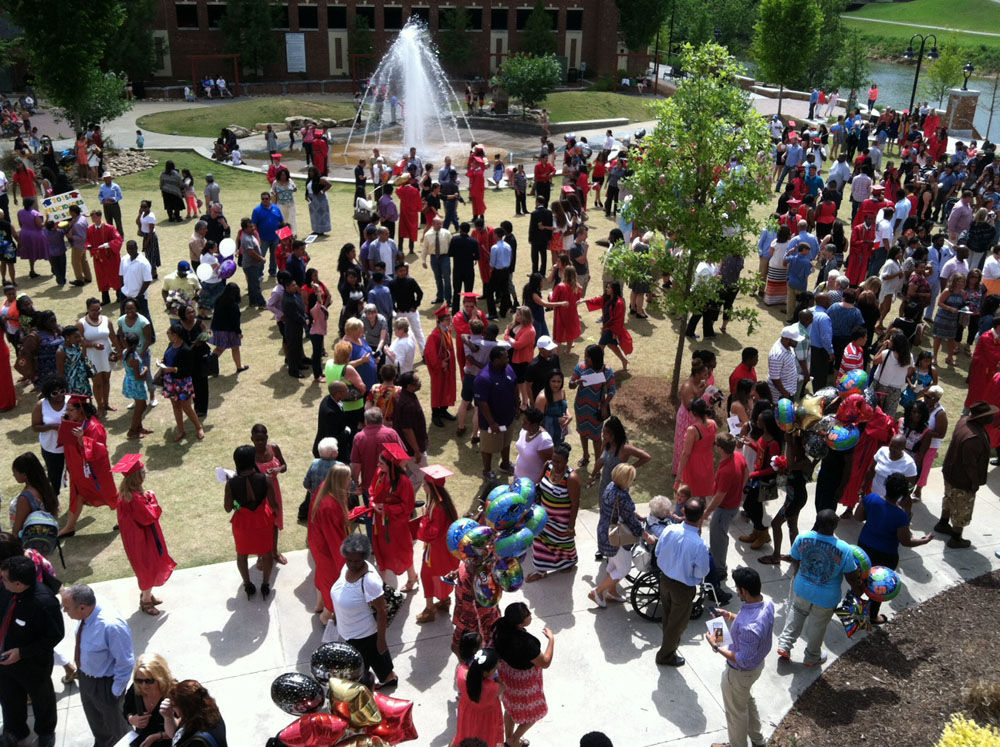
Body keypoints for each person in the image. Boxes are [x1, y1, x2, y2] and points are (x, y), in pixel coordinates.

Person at [776, 510, 865, 666]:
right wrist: (858, 590)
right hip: (826, 598)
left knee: (796, 613)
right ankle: (812, 657)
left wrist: (798, 576)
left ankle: (784, 645)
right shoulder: (844, 549)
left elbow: (795, 559)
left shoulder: (802, 537)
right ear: (835, 525)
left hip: (802, 588)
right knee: (818, 625)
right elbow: (850, 576)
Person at [705, 566, 775, 747]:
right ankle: (758, 740)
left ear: (744, 590)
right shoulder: (767, 603)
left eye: (737, 589)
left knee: (735, 712)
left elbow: (742, 658)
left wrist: (715, 645)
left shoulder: (749, 627)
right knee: (746, 701)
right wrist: (729, 616)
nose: (737, 592)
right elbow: (746, 621)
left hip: (739, 673)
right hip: (756, 666)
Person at [0, 553, 63, 747]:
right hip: (5, 661)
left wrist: (22, 652)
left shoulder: (44, 602)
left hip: (33, 664)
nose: (1, 581)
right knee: (9, 698)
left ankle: (45, 732)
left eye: (4, 578)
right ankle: (15, 730)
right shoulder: (6, 591)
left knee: (42, 699)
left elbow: (55, 636)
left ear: (19, 584)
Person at [61, 583, 134, 747]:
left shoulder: (112, 626)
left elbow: (125, 662)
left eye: (67, 608)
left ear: (82, 608)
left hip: (105, 685)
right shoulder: (88, 610)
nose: (65, 611)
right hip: (86, 678)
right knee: (97, 724)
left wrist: (115, 692)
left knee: (119, 730)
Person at [856, 473, 932, 624]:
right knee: (878, 586)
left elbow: (858, 517)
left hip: (864, 548)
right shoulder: (900, 515)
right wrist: (924, 541)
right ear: (904, 494)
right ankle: (872, 617)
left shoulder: (871, 498)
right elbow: (906, 542)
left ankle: (853, 614)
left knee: (859, 580)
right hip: (885, 556)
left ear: (886, 486)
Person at [328, 534, 398, 689]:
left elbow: (381, 610)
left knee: (357, 676)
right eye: (349, 560)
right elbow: (341, 592)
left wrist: (381, 640)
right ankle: (389, 679)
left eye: (357, 560)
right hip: (350, 629)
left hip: (363, 633)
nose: (352, 564)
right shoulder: (346, 567)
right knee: (377, 659)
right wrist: (336, 614)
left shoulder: (369, 581)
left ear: (365, 557)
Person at [112, 455, 175, 616]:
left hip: (138, 538)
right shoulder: (134, 498)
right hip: (143, 540)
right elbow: (149, 516)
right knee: (148, 568)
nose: (145, 473)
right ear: (136, 477)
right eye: (142, 471)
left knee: (147, 567)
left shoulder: (126, 494)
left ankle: (147, 594)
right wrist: (152, 498)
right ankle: (146, 600)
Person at [655, 499, 711, 667]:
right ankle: (665, 655)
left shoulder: (669, 530)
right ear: (701, 518)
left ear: (684, 513)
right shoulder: (700, 545)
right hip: (683, 588)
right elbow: (702, 571)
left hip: (664, 580)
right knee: (677, 624)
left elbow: (658, 552)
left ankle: (669, 643)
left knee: (668, 615)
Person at [492, 602, 554, 747]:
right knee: (534, 712)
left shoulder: (499, 628)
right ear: (520, 624)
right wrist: (551, 640)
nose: (530, 615)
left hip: (507, 676)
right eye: (527, 615)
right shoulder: (525, 642)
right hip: (525, 682)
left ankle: (508, 739)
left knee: (510, 708)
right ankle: (513, 741)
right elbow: (545, 662)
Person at [935, 402, 995, 549]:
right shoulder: (974, 438)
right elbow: (970, 465)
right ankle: (956, 538)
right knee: (963, 507)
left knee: (949, 497)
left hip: (950, 472)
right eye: (989, 415)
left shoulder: (964, 422)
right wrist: (974, 482)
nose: (993, 416)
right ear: (981, 418)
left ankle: (943, 523)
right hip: (962, 479)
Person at [57, 394, 118, 537]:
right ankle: (69, 527)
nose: (68, 413)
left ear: (81, 410)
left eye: (71, 410)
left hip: (95, 470)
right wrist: (64, 426)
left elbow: (100, 450)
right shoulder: (72, 423)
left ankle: (126, 517)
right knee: (77, 493)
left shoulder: (94, 427)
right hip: (78, 468)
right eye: (67, 410)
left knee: (108, 495)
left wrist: (82, 440)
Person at [224, 445, 278, 600]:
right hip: (263, 521)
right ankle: (266, 584)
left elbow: (228, 508)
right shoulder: (265, 479)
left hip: (242, 523)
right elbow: (275, 505)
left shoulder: (231, 483)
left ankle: (247, 584)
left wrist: (237, 505)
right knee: (267, 554)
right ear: (252, 460)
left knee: (242, 555)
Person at [591, 463, 648, 607]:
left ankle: (611, 591)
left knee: (613, 563)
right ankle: (597, 592)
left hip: (606, 531)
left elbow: (619, 510)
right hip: (618, 537)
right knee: (623, 568)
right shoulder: (624, 497)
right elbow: (631, 522)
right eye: (632, 479)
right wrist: (646, 535)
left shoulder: (610, 487)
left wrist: (634, 514)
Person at [414, 465, 461, 623]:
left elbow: (430, 533)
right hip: (445, 550)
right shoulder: (443, 503)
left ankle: (429, 610)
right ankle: (444, 600)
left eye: (426, 483)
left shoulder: (438, 507)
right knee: (442, 576)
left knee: (427, 576)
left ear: (433, 487)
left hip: (436, 551)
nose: (423, 485)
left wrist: (424, 517)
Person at [702, 433, 749, 580]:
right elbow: (747, 473)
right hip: (732, 504)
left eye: (716, 444)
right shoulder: (738, 456)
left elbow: (719, 497)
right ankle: (717, 558)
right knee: (719, 536)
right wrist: (739, 489)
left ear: (720, 448)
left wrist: (707, 512)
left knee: (718, 538)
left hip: (724, 509)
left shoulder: (726, 471)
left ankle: (720, 571)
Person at [307, 461, 349, 616]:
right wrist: (345, 562)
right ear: (340, 481)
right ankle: (326, 615)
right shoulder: (330, 507)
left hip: (317, 542)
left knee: (322, 575)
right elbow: (335, 539)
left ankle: (319, 605)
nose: (350, 481)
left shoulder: (324, 487)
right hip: (327, 548)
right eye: (348, 478)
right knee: (332, 580)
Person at [474, 346, 518, 476]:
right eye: (505, 358)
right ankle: (487, 470)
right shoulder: (483, 378)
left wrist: (517, 405)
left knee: (506, 441)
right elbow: (482, 403)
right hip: (491, 422)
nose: (508, 360)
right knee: (488, 447)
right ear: (496, 360)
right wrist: (492, 422)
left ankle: (505, 464)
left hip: (508, 417)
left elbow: (515, 385)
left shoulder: (508, 368)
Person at [570, 344, 616, 468]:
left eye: (588, 357)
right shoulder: (580, 367)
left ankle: (597, 462)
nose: (585, 359)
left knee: (596, 438)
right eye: (585, 356)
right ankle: (585, 456)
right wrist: (576, 383)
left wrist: (605, 404)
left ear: (596, 358)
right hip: (580, 407)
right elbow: (570, 384)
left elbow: (612, 390)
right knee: (582, 433)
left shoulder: (607, 371)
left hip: (596, 410)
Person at [453, 646, 504, 747]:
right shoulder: (491, 688)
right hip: (485, 720)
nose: (497, 668)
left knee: (461, 737)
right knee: (485, 742)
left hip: (466, 713)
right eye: (495, 668)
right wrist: (496, 677)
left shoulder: (461, 672)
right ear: (485, 672)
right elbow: (502, 687)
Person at [122, 652, 175, 747]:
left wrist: (155, 737)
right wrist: (131, 719)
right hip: (142, 741)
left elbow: (182, 727)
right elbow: (126, 709)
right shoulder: (135, 689)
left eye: (149, 681)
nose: (143, 685)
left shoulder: (174, 692)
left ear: (160, 677)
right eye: (139, 680)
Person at [160, 679, 227, 746]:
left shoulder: (197, 742)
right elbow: (174, 733)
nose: (172, 708)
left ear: (185, 708)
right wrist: (168, 717)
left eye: (173, 705)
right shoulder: (210, 714)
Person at [674, 398, 717, 500]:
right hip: (707, 460)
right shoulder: (713, 423)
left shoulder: (692, 430)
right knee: (703, 490)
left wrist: (679, 473)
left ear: (693, 413)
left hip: (694, 463)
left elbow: (686, 453)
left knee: (687, 491)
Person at [584, 281, 631, 370]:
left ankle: (597, 366)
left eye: (609, 288)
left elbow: (619, 319)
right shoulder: (607, 298)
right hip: (607, 327)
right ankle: (623, 360)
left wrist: (615, 332)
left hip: (611, 329)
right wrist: (584, 301)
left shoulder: (619, 303)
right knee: (611, 345)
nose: (607, 289)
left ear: (614, 290)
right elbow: (597, 300)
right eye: (607, 287)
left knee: (600, 347)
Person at [424, 304, 458, 426]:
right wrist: (440, 364)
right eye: (447, 319)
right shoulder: (435, 336)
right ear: (440, 321)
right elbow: (430, 354)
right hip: (439, 369)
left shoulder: (446, 330)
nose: (450, 321)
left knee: (446, 387)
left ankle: (443, 410)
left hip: (447, 367)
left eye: (449, 318)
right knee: (438, 389)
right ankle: (436, 414)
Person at [513, 407, 554, 484]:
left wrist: (539, 484)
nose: (522, 423)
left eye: (525, 422)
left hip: (531, 483)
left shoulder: (544, 440)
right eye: (523, 420)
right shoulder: (523, 431)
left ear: (534, 425)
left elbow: (549, 465)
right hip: (517, 476)